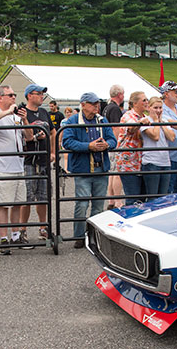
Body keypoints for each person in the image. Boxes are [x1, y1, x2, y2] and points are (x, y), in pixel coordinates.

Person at [62, 92, 117, 248]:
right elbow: (67, 142)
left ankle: (93, 236)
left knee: (99, 205)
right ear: (83, 104)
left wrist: (107, 145)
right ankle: (79, 236)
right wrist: (88, 146)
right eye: (93, 103)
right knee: (82, 204)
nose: (96, 106)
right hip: (83, 169)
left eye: (97, 103)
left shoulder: (102, 120)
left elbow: (113, 139)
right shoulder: (72, 121)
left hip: (101, 168)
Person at [0, 86, 35, 254]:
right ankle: (4, 238)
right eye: (10, 95)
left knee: (17, 203)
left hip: (18, 165)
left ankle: (15, 235)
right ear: (1, 98)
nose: (14, 98)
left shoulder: (16, 117)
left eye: (14, 95)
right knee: (4, 204)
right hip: (2, 167)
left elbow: (29, 137)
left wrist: (25, 120)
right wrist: (7, 112)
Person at [19, 83, 54, 240]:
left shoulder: (44, 112)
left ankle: (43, 227)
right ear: (29, 96)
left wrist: (53, 151)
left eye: (42, 94)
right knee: (27, 197)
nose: (41, 96)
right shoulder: (21, 113)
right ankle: (22, 230)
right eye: (38, 93)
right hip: (28, 160)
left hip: (44, 160)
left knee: (43, 196)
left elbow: (53, 132)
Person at [116, 91, 150, 204]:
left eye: (147, 100)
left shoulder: (145, 117)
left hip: (142, 162)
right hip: (129, 163)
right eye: (144, 100)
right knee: (132, 196)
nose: (147, 102)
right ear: (135, 103)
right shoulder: (128, 116)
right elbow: (131, 127)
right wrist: (140, 122)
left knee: (142, 198)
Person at [140, 96, 175, 199]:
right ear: (149, 108)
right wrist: (156, 121)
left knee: (163, 196)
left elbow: (172, 137)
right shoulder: (145, 121)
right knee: (152, 196)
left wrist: (161, 123)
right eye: (155, 108)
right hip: (151, 162)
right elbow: (155, 136)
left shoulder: (164, 121)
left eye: (160, 108)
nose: (158, 110)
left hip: (165, 161)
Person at [102, 84, 125, 210]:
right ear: (119, 94)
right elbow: (116, 128)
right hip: (113, 144)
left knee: (112, 173)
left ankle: (111, 199)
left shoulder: (106, 107)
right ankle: (117, 201)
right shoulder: (115, 109)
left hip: (107, 143)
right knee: (117, 173)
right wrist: (116, 144)